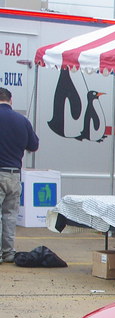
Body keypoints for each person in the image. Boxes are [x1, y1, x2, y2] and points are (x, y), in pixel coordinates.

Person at [0, 87, 39, 263]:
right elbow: (33, 145)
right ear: (11, 100)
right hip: (14, 175)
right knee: (9, 215)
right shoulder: (22, 121)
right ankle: (8, 253)